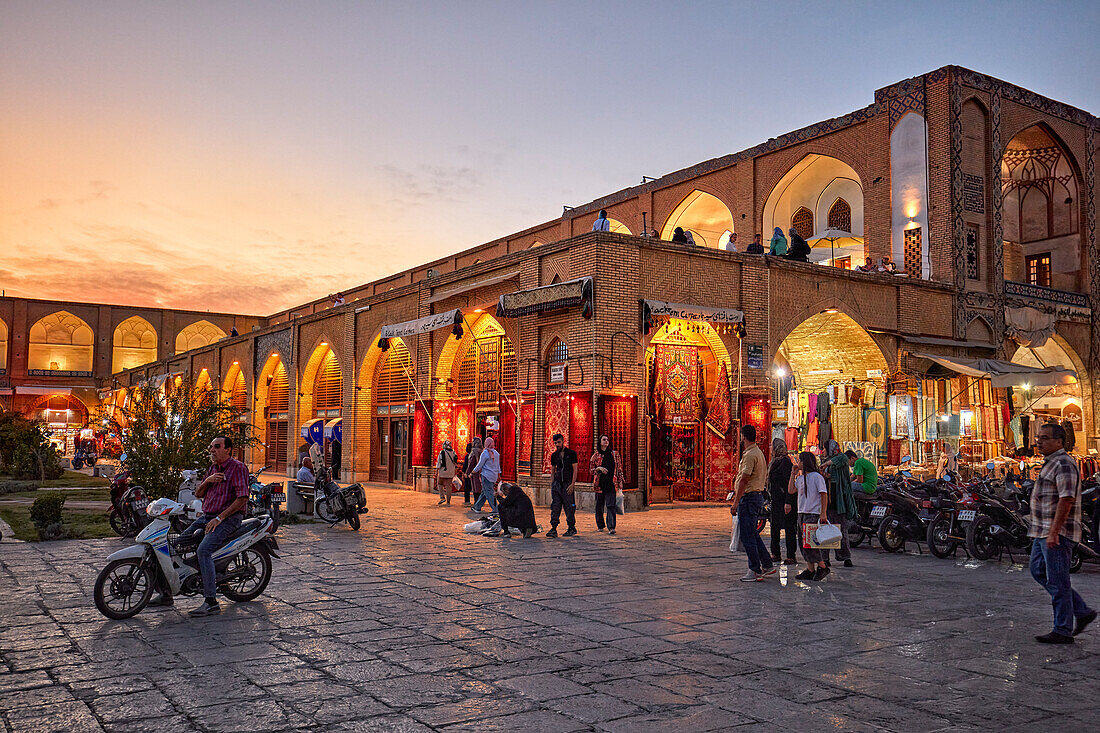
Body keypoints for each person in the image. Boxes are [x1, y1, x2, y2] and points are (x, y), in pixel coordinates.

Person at [1029, 423, 1095, 643]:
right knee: (1038, 571)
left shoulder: (1064, 463)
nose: (1039, 441)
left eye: (1045, 438)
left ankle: (1062, 629)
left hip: (1056, 531)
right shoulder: (1050, 463)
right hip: (1041, 530)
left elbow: (1066, 499)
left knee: (1057, 580)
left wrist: (1055, 532)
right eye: (1039, 437)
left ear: (1059, 441)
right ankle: (1082, 611)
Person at [176, 436, 249, 617]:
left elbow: (242, 498)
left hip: (228, 518)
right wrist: (208, 481)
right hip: (206, 516)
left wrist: (220, 518)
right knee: (177, 543)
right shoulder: (212, 469)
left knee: (203, 550)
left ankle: (211, 601)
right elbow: (199, 493)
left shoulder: (237, 468)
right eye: (211, 447)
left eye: (217, 447)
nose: (212, 450)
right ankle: (167, 592)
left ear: (228, 450)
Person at [730, 425, 776, 581]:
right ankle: (767, 564)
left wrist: (736, 502)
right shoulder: (757, 453)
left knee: (747, 535)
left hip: (749, 498)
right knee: (753, 533)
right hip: (755, 496)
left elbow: (744, 479)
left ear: (743, 437)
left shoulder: (750, 455)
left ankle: (755, 569)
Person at [789, 451, 831, 581]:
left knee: (811, 543)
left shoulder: (816, 477)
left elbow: (824, 494)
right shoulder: (801, 478)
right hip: (801, 512)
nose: (798, 463)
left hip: (813, 513)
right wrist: (793, 474)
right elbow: (791, 490)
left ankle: (822, 566)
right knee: (803, 543)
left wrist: (823, 513)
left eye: (800, 460)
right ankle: (810, 569)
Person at [822, 440, 857, 567]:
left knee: (841, 531)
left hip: (839, 501)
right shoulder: (826, 460)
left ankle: (846, 557)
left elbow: (840, 461)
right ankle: (825, 559)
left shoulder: (841, 458)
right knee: (825, 531)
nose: (823, 451)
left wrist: (825, 465)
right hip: (828, 501)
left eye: (825, 449)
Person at [768, 438, 798, 564]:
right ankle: (775, 553)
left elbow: (789, 485)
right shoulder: (774, 462)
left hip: (785, 501)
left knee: (789, 528)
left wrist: (788, 501)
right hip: (776, 500)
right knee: (774, 527)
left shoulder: (785, 463)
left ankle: (791, 555)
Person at [589, 435, 625, 535]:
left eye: (607, 440)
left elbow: (619, 468)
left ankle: (612, 527)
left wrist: (620, 480)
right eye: (604, 440)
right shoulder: (596, 455)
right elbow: (591, 471)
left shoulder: (614, 454)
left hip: (611, 483)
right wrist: (599, 468)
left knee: (611, 505)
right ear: (600, 442)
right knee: (599, 506)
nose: (606, 441)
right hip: (599, 483)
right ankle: (600, 525)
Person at [547, 434, 578, 537]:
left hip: (567, 483)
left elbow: (575, 470)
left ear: (563, 441)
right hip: (557, 484)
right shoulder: (554, 455)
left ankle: (571, 527)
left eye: (558, 442)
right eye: (555, 443)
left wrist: (572, 484)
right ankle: (554, 528)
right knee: (555, 506)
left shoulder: (571, 454)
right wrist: (553, 483)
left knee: (569, 506)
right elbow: (553, 470)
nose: (557, 445)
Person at [470, 437, 500, 513]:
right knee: (484, 492)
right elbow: (498, 466)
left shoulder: (485, 453)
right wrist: (498, 474)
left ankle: (495, 509)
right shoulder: (496, 453)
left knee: (489, 493)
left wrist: (473, 471)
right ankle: (477, 507)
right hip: (493, 476)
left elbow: (480, 464)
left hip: (486, 475)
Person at [435, 440, 458, 505]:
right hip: (451, 471)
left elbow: (439, 463)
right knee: (449, 486)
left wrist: (436, 472)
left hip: (443, 471)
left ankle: (442, 497)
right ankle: (448, 501)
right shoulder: (454, 453)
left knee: (440, 484)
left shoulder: (442, 452)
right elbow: (455, 463)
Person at [463, 437, 482, 506]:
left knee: (475, 488)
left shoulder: (474, 451)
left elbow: (471, 463)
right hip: (482, 472)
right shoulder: (482, 451)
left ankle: (477, 503)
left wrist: (467, 472)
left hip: (474, 473)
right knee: (480, 488)